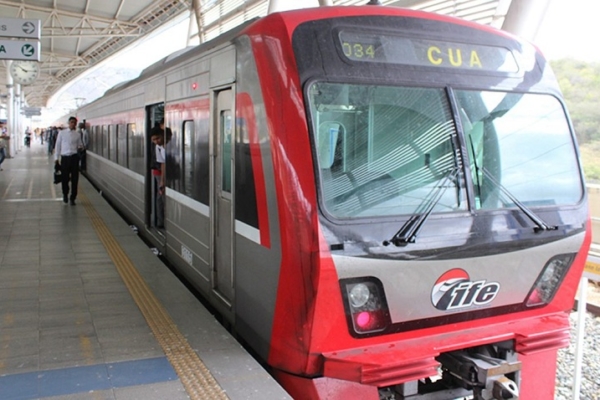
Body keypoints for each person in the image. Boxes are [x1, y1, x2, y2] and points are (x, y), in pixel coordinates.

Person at [54, 117, 84, 205]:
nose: (73, 124)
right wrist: (56, 159)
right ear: (68, 123)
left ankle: (73, 197)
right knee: (65, 178)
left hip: (74, 158)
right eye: (71, 122)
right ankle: (65, 195)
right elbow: (58, 146)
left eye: (74, 122)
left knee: (75, 179)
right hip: (65, 158)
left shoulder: (77, 135)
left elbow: (80, 145)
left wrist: (80, 148)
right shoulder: (61, 133)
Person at [150, 128, 166, 228]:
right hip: (158, 172)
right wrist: (162, 182)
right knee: (161, 196)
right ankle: (161, 222)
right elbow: (162, 163)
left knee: (161, 196)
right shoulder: (158, 147)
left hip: (162, 173)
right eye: (154, 140)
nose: (156, 141)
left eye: (158, 139)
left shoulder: (166, 145)